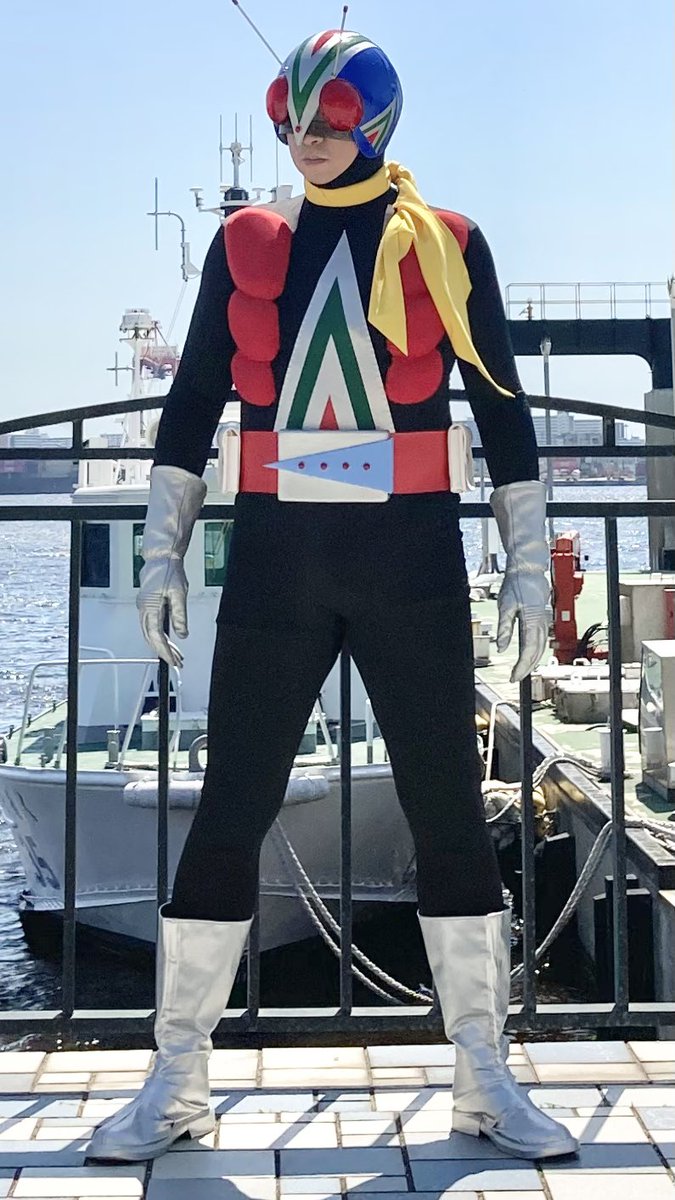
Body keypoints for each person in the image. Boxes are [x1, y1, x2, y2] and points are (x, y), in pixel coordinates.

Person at [87, 28, 577, 1165]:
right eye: (290, 121)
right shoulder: (245, 245)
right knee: (228, 808)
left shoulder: (448, 243)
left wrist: (527, 559)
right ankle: (176, 1080)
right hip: (278, 562)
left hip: (411, 561)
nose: (305, 141)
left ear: (377, 122)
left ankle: (482, 1076)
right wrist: (161, 552)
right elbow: (194, 401)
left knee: (447, 810)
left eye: (328, 121)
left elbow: (501, 407)